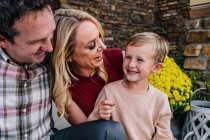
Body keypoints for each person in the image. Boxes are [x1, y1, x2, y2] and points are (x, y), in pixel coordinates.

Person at [0, 1, 126, 139]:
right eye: (37, 41)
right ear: (3, 40)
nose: (50, 48)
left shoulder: (47, 62)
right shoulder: (60, 78)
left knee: (109, 130)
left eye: (51, 36)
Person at [88, 32, 173, 140]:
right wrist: (99, 114)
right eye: (128, 57)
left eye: (140, 60)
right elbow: (92, 130)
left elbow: (164, 136)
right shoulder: (109, 91)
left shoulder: (160, 99)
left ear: (156, 68)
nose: (131, 64)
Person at [51, 8, 124, 124]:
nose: (103, 47)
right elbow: (89, 133)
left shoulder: (120, 58)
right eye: (92, 45)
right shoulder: (64, 91)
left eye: (99, 37)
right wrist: (96, 115)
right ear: (67, 55)